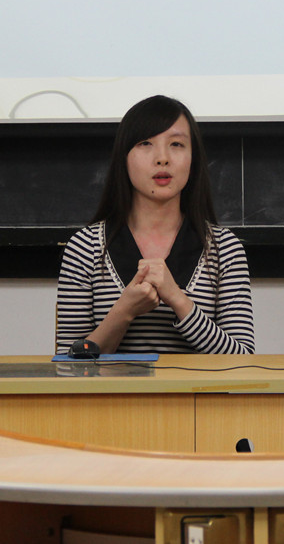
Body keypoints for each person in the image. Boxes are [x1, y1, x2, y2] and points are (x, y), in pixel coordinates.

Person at [56, 95, 254, 354]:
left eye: (176, 144)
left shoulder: (224, 248)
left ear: (193, 159)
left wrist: (178, 300)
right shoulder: (85, 246)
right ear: (124, 157)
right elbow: (68, 363)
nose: (162, 158)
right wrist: (124, 311)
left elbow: (242, 359)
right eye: (146, 143)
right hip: (113, 384)